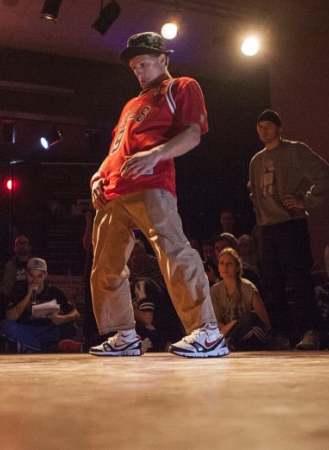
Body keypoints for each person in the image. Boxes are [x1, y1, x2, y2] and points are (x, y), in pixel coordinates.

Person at [88, 32, 228, 358]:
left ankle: (208, 332)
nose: (138, 71)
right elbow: (117, 149)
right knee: (106, 266)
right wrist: (97, 176)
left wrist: (156, 155)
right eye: (134, 67)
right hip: (112, 192)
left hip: (151, 184)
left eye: (144, 64)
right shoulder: (131, 104)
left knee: (174, 252)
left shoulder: (180, 86)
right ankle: (125, 335)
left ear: (163, 59)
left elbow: (192, 134)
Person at [248, 109, 329, 350]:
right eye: (260, 126)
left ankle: (311, 331)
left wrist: (306, 201)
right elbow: (253, 190)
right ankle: (283, 334)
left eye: (268, 125)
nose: (263, 130)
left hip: (291, 224)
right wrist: (260, 212)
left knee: (299, 280)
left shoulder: (295, 150)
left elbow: (326, 175)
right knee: (272, 283)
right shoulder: (256, 160)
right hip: (268, 228)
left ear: (278, 128)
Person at [1, 257, 79, 353]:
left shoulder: (53, 290)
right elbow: (10, 317)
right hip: (25, 329)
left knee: (71, 326)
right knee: (5, 326)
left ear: (45, 276)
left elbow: (75, 313)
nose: (35, 280)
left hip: (46, 329)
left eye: (39, 276)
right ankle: (41, 348)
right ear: (26, 274)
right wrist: (28, 295)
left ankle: (29, 347)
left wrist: (62, 319)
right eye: (31, 276)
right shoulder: (19, 289)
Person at [210, 248, 272, 351]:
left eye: (229, 263)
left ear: (237, 267)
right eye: (222, 263)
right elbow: (218, 322)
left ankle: (231, 342)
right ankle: (232, 342)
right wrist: (233, 326)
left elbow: (265, 322)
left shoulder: (248, 288)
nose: (225, 267)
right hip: (228, 335)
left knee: (250, 317)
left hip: (253, 335)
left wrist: (236, 323)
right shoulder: (215, 290)